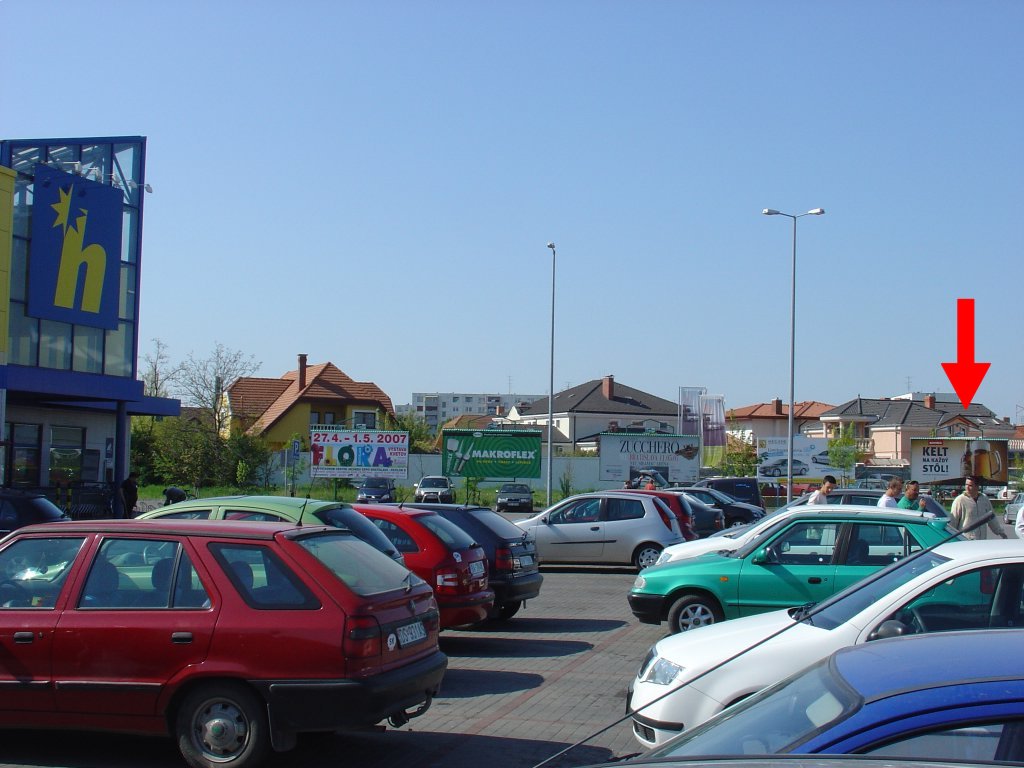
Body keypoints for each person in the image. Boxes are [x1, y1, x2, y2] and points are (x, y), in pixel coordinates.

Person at [950, 475, 1006, 540]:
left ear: (977, 487)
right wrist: (952, 539)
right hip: (966, 540)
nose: (967, 487)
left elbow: (992, 518)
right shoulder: (960, 500)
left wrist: (1001, 532)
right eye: (966, 485)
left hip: (981, 540)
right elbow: (953, 522)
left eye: (970, 485)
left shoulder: (984, 499)